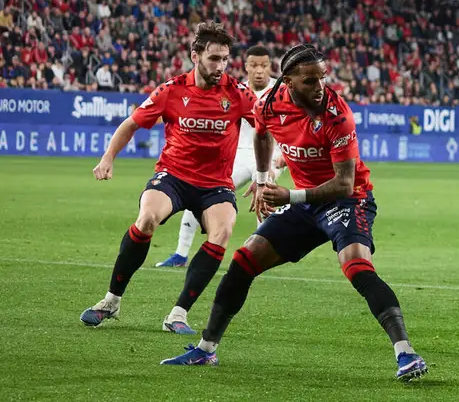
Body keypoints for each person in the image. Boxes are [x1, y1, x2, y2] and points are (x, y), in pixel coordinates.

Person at [161, 44, 428, 381]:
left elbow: (344, 184)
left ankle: (406, 353)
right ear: (287, 80)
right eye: (309, 81)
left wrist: (289, 193)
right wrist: (260, 179)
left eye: (321, 78)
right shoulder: (270, 103)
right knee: (244, 260)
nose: (319, 88)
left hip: (347, 200)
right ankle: (206, 349)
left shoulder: (336, 114)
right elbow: (260, 134)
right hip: (303, 204)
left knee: (356, 266)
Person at [81, 22, 258, 334]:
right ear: (195, 56)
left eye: (225, 59)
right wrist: (108, 157)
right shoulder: (171, 90)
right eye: (214, 58)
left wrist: (264, 175)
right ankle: (111, 301)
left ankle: (178, 313)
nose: (220, 66)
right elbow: (130, 124)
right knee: (147, 217)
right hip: (173, 175)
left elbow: (266, 129)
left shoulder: (238, 94)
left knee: (223, 231)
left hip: (215, 183)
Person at [157, 45, 284, 268]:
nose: (259, 71)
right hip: (240, 156)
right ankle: (180, 253)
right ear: (246, 67)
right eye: (254, 65)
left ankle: (259, 255)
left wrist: (280, 161)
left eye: (264, 65)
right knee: (199, 188)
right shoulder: (237, 91)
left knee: (265, 198)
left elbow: (287, 129)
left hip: (270, 157)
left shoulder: (281, 91)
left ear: (270, 66)